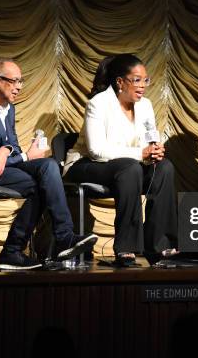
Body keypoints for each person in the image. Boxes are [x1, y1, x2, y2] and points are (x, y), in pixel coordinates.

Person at [0, 58, 97, 270]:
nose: (18, 86)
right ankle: (13, 251)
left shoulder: (9, 107)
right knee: (43, 184)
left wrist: (5, 149)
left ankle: (63, 236)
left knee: (48, 166)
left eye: (21, 81)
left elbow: (13, 146)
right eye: (14, 81)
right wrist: (25, 156)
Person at [65, 54, 178, 266]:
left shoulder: (145, 105)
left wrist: (155, 149)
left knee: (164, 168)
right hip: (85, 165)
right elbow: (97, 150)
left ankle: (159, 246)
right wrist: (140, 154)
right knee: (130, 167)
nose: (143, 85)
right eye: (136, 80)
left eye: (146, 80)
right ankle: (126, 247)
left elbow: (149, 137)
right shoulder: (98, 104)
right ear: (120, 82)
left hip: (127, 168)